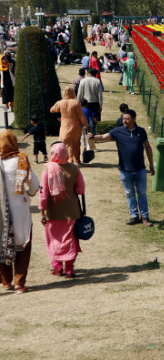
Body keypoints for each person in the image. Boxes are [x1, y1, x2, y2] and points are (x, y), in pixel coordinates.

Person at [89, 109, 155, 226]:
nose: (124, 121)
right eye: (123, 118)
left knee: (142, 193)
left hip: (140, 169)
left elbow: (148, 147)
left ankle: (145, 216)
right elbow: (104, 137)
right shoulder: (118, 131)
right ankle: (134, 215)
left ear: (134, 119)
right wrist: (93, 137)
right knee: (129, 193)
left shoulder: (141, 131)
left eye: (127, 118)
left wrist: (151, 163)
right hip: (125, 170)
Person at [0, 130, 40, 293]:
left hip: (1, 212)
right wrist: (29, 193)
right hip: (20, 209)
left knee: (2, 244)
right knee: (24, 245)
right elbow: (34, 185)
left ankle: (5, 281)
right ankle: (19, 283)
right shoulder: (22, 159)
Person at [39, 142, 84, 279]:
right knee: (70, 239)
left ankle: (57, 267)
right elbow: (81, 190)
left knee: (54, 240)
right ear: (66, 153)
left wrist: (42, 211)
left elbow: (43, 193)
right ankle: (69, 270)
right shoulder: (75, 169)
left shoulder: (47, 169)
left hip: (53, 212)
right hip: (72, 211)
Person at [50, 87, 89, 164]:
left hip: (64, 126)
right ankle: (75, 159)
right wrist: (86, 125)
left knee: (65, 143)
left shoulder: (60, 102)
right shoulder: (76, 102)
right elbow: (81, 116)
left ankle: (67, 160)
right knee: (76, 143)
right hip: (75, 126)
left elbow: (52, 110)